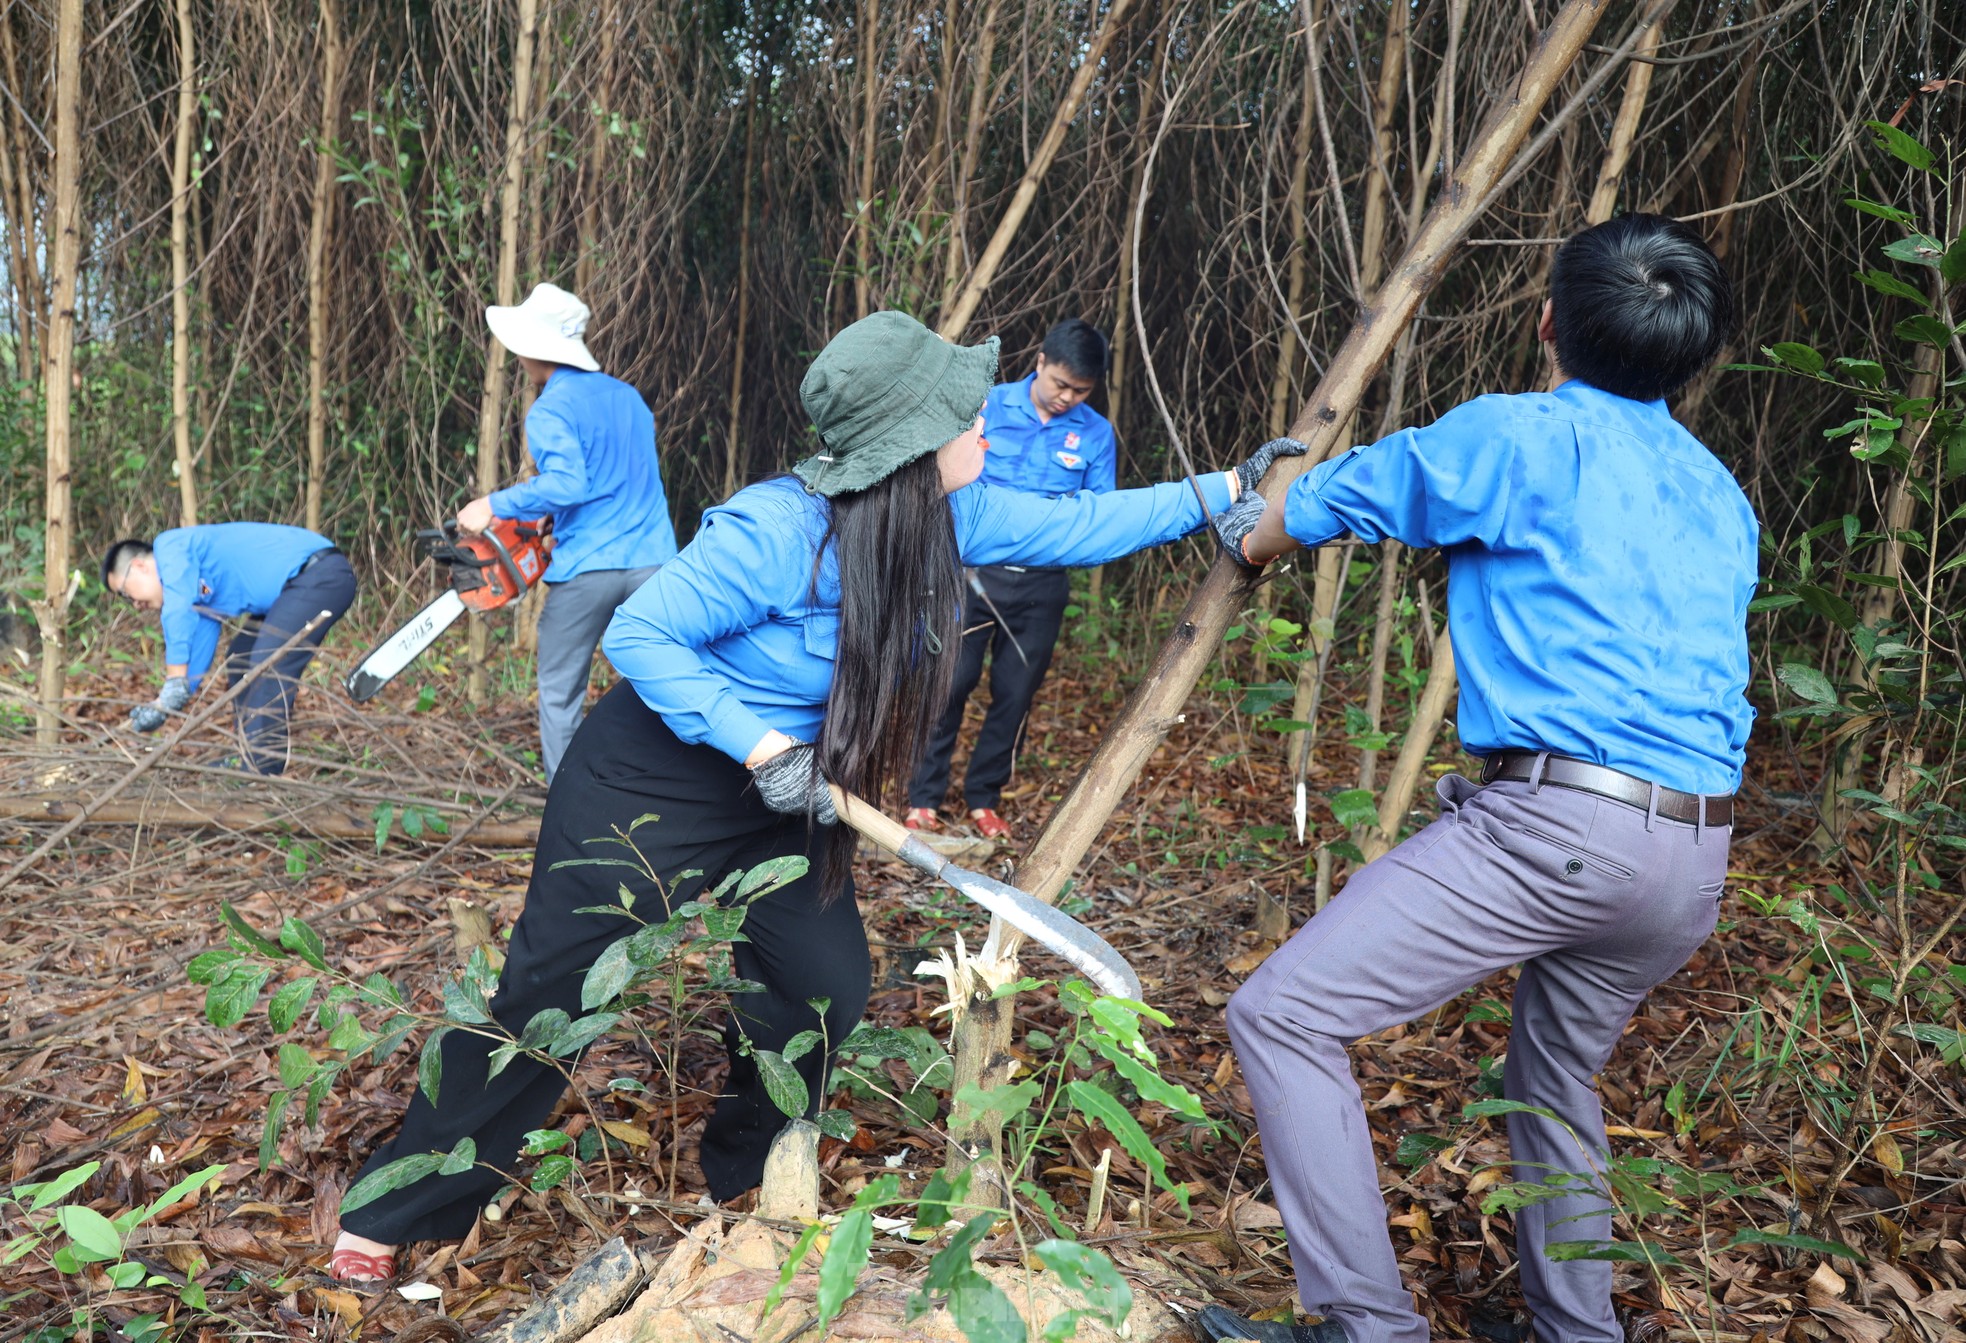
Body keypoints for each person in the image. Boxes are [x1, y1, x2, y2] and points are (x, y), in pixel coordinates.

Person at [327, 309, 1304, 1284]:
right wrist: (759, 744)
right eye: (963, 418)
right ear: (907, 445)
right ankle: (394, 1206)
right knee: (548, 1000)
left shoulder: (945, 512)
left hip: (791, 792)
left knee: (822, 988)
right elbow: (640, 636)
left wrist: (1220, 489)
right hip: (654, 778)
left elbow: (1078, 524)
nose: (984, 431)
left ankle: (737, 1181)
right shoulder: (777, 526)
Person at [1197, 214, 1754, 1343]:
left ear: (1547, 321)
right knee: (1555, 1075)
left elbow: (1289, 520)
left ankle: (1370, 1329)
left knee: (1284, 1010)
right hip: (1693, 857)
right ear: (1689, 359)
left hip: (1560, 828)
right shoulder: (1722, 496)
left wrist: (1260, 508)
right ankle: (1577, 1332)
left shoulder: (1516, 435)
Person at [904, 317, 1118, 841]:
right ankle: (923, 798)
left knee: (1015, 693)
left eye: (1081, 390)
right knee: (949, 683)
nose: (1067, 396)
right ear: (1039, 362)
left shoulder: (1096, 433)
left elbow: (1101, 510)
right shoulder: (986, 407)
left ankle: (984, 798)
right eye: (1060, 383)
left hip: (1042, 585)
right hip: (968, 574)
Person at [455, 281, 677, 782]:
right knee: (656, 686)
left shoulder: (551, 408)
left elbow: (570, 483)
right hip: (654, 562)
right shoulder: (630, 399)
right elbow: (622, 479)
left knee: (559, 692)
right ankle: (660, 794)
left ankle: (569, 804)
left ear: (535, 350)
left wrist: (492, 504)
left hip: (588, 569)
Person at [101, 524, 358, 775]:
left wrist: (174, 679)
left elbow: (177, 610)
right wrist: (166, 703)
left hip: (319, 575)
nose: (134, 604)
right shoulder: (198, 586)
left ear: (139, 566)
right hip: (294, 588)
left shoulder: (170, 547)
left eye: (125, 593)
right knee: (241, 659)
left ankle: (260, 773)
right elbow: (199, 644)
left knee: (266, 665)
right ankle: (247, 755)